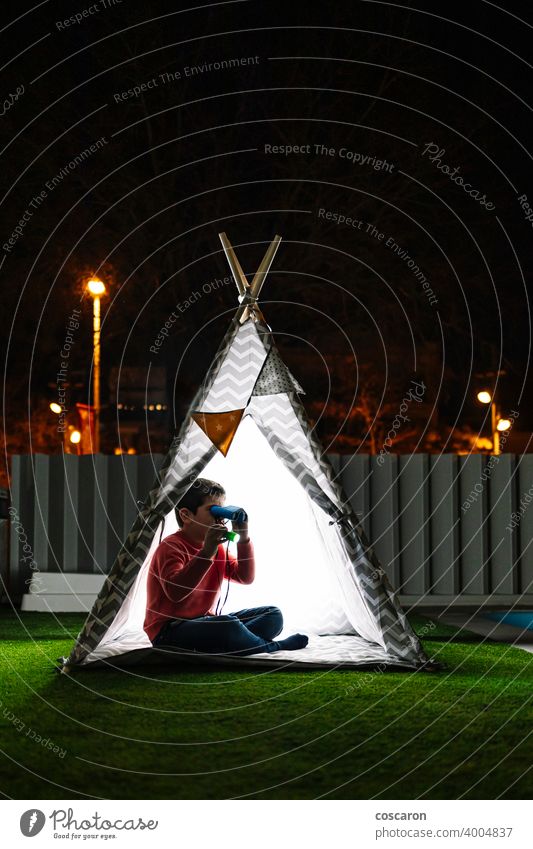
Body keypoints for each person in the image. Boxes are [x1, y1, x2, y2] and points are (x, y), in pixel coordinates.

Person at [144, 478, 308, 657]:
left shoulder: (218, 549)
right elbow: (175, 592)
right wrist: (206, 553)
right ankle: (271, 647)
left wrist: (243, 539)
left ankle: (231, 642)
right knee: (227, 626)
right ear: (186, 515)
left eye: (223, 511)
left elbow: (245, 577)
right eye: (214, 511)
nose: (222, 518)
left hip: (206, 623)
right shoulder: (171, 547)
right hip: (169, 631)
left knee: (273, 615)